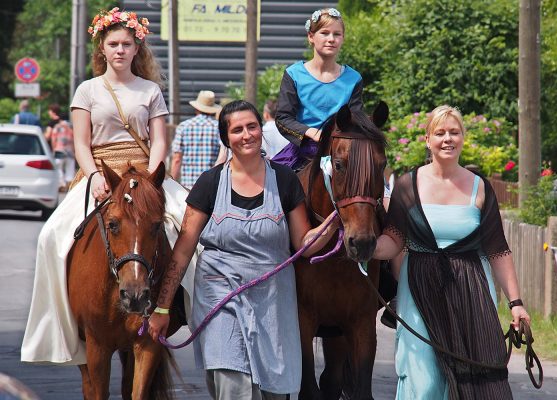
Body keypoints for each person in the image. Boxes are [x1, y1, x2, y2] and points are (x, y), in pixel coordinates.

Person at [21, 7, 196, 365]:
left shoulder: (150, 90)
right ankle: (61, 324)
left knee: (195, 233)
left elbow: (160, 140)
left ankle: (185, 309)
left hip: (145, 173)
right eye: (113, 43)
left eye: (126, 44)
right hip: (99, 175)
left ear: (137, 48)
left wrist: (152, 177)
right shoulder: (87, 90)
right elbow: (82, 144)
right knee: (50, 237)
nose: (120, 50)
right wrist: (95, 175)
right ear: (102, 48)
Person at [148, 100, 341, 399]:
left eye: (252, 126)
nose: (247, 134)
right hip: (219, 298)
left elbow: (304, 244)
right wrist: (162, 307)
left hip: (273, 303)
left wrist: (333, 221)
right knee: (233, 387)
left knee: (274, 392)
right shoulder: (209, 183)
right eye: (237, 130)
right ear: (226, 139)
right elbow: (184, 250)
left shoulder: (286, 181)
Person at [373, 105, 531, 399]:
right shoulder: (408, 186)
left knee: (476, 380)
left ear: (463, 138)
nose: (448, 139)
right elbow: (393, 241)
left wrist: (516, 303)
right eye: (440, 132)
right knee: (424, 381)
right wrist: (365, 246)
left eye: (454, 132)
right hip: (419, 288)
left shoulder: (481, 188)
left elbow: (498, 250)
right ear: (427, 139)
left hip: (471, 288)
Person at [271, 7, 363, 170]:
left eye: (337, 34)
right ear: (311, 37)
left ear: (343, 38)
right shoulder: (294, 74)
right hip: (302, 152)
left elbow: (357, 119)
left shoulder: (353, 78)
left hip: (342, 152)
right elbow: (283, 118)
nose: (331, 39)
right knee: (272, 187)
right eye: (325, 33)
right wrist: (311, 132)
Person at [171, 90, 222, 189]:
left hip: (188, 187)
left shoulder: (183, 126)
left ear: (196, 109)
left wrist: (172, 182)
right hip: (212, 185)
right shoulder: (218, 128)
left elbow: (177, 159)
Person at [47, 108, 75, 189]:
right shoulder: (71, 126)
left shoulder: (57, 126)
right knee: (70, 168)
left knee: (59, 168)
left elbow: (53, 139)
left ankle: (61, 184)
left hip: (59, 150)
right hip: (70, 151)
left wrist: (53, 149)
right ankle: (69, 183)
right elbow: (74, 138)